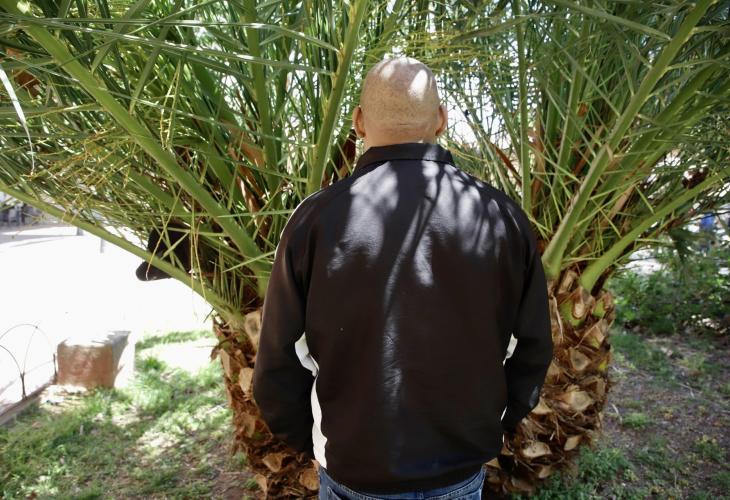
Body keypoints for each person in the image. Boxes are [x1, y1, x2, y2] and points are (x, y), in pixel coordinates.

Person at [252, 57, 554, 500]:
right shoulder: (500, 216)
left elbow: (278, 364)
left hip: (352, 474)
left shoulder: (313, 220)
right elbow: (531, 347)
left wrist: (320, 444)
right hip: (458, 471)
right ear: (441, 120)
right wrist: (488, 430)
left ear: (358, 122)